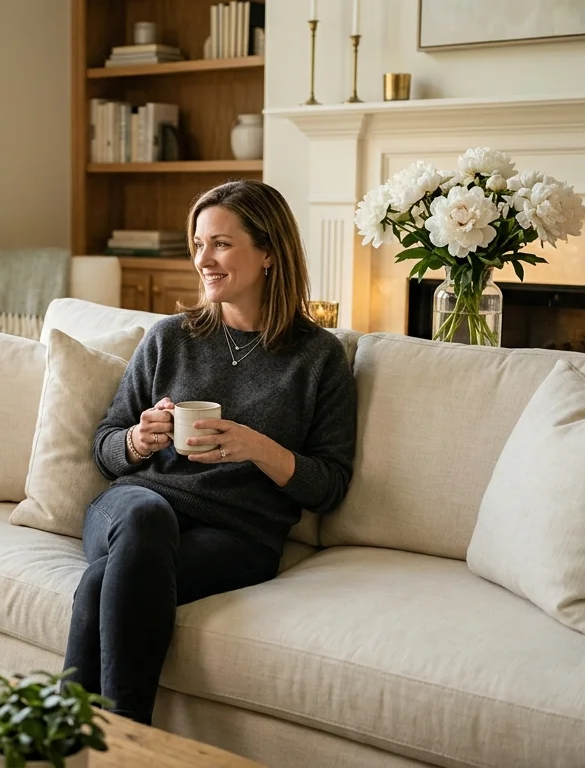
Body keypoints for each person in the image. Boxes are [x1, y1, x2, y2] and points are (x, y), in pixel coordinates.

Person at [63, 180, 358, 725]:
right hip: (133, 507)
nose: (203, 260)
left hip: (238, 535)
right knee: (147, 517)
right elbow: (105, 447)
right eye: (198, 244)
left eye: (220, 244)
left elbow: (330, 486)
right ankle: (130, 744)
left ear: (269, 252)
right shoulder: (169, 337)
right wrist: (137, 439)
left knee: (105, 581)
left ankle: (76, 744)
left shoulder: (319, 358)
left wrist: (257, 446)